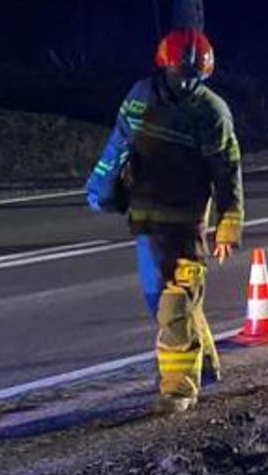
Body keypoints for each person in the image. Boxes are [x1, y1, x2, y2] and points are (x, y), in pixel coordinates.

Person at [86, 28, 244, 415]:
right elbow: (118, 146)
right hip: (146, 219)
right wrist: (102, 189)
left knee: (175, 303)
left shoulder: (212, 112)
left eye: (191, 75)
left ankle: (177, 388)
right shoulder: (141, 96)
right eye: (179, 73)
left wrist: (229, 223)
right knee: (167, 302)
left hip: (187, 222)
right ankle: (203, 364)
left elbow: (227, 171)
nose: (184, 81)